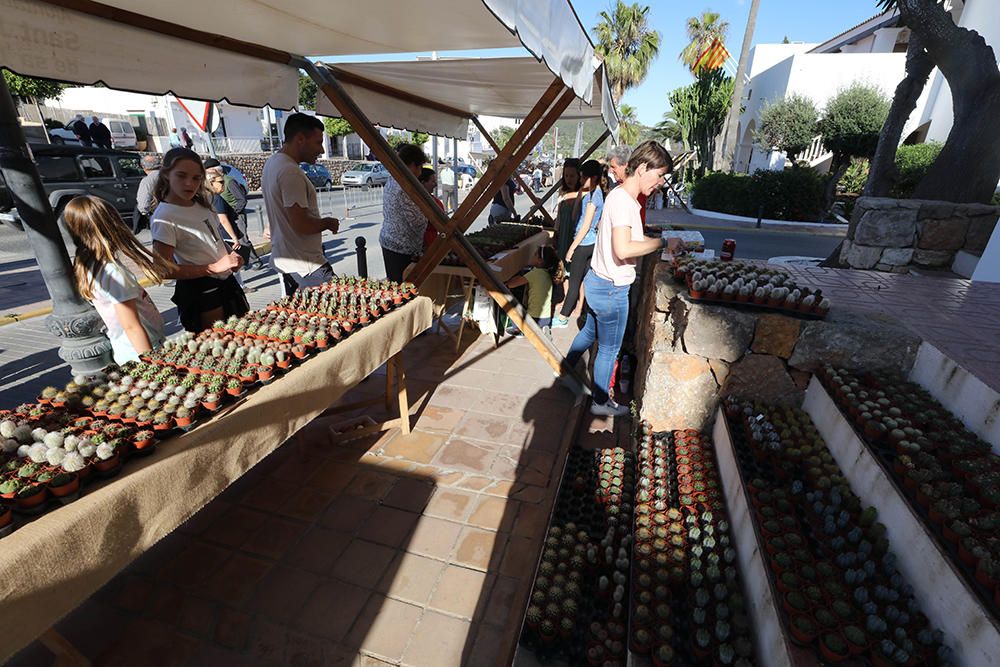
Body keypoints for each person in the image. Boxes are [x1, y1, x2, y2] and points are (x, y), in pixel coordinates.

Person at [564, 141, 678, 417]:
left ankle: (566, 371)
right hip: (612, 290)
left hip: (597, 281)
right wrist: (661, 242)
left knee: (589, 333)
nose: (661, 182)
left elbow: (616, 235)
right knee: (608, 349)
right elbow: (624, 248)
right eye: (659, 175)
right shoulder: (625, 202)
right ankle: (601, 402)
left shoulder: (616, 195)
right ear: (642, 169)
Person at [63, 195, 171, 364]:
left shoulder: (89, 265)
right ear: (112, 226)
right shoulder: (113, 273)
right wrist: (152, 365)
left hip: (127, 350)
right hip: (143, 352)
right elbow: (132, 326)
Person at [150, 147, 248, 332]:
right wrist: (213, 267)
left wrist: (230, 255)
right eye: (181, 175)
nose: (189, 183)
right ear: (166, 175)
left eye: (196, 178)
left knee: (243, 338)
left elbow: (214, 238)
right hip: (203, 291)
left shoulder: (202, 203)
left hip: (227, 284)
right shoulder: (165, 216)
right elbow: (162, 269)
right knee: (219, 348)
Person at [261, 113, 341, 294]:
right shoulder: (290, 171)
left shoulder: (273, 162)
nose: (321, 150)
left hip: (291, 261)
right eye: (318, 142)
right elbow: (301, 224)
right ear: (300, 139)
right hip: (307, 265)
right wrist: (328, 222)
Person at [554, 159, 604, 328]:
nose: (580, 181)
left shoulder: (592, 198)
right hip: (590, 243)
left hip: (584, 244)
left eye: (583, 178)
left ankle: (562, 318)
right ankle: (585, 314)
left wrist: (571, 249)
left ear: (594, 177)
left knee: (574, 282)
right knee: (584, 280)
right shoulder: (593, 193)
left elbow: (584, 226)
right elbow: (576, 216)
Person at [380, 142, 429, 282]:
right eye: (420, 167)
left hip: (391, 241)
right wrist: (428, 216)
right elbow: (417, 220)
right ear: (413, 165)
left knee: (397, 285)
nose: (420, 172)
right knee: (403, 290)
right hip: (400, 247)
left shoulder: (393, 178)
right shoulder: (404, 187)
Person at [505, 245, 562, 336]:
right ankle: (544, 328)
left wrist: (511, 277)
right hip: (546, 318)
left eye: (535, 255)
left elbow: (511, 285)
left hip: (534, 318)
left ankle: (518, 330)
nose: (532, 256)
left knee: (511, 304)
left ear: (540, 261)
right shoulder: (547, 273)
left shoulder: (534, 274)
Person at [608, 145, 649, 230]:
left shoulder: (633, 189)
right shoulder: (620, 187)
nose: (611, 171)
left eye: (613, 167)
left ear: (625, 166)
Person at [553, 158, 581, 261]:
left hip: (574, 236)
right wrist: (555, 233)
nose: (569, 179)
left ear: (579, 176)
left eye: (572, 176)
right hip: (562, 236)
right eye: (566, 176)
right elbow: (559, 217)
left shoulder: (582, 194)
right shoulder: (563, 192)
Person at [132, 154, 161, 232]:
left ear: (144, 168)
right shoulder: (170, 175)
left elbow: (143, 203)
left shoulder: (147, 181)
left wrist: (144, 212)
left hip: (159, 214)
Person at [419, 167, 444, 251]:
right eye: (432, 181)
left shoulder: (436, 202)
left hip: (432, 243)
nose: (436, 184)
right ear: (422, 183)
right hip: (425, 246)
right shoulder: (412, 202)